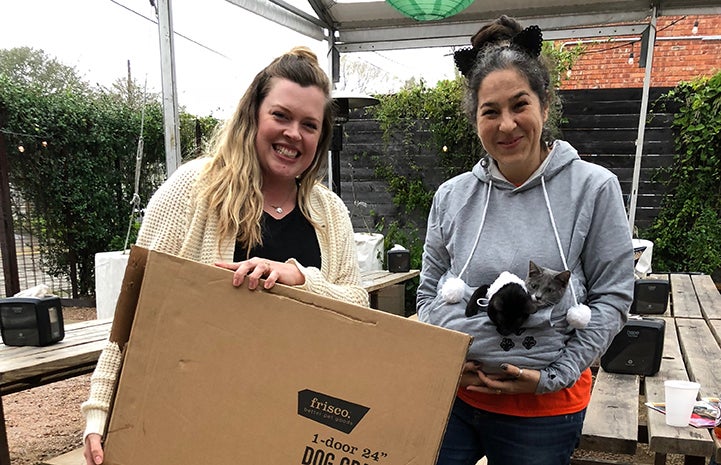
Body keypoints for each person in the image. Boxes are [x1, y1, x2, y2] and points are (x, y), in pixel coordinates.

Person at [81, 46, 369, 465]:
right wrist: (99, 413)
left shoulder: (329, 212)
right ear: (253, 115)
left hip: (295, 419)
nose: (294, 134)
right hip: (199, 412)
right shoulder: (192, 191)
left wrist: (300, 279)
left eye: (310, 124)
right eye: (281, 116)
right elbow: (137, 313)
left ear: (320, 137)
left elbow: (359, 311)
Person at [417, 16, 635, 465]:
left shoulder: (593, 189)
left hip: (543, 411)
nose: (507, 125)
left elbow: (613, 297)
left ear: (546, 105)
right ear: (475, 118)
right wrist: (445, 362)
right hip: (454, 399)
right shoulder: (451, 197)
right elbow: (427, 293)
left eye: (520, 105)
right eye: (490, 111)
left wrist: (554, 375)